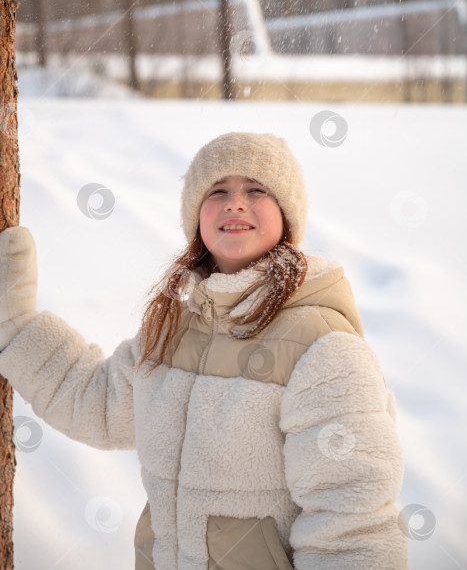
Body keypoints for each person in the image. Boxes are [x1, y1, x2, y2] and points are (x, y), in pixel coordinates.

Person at [0, 132, 409, 570]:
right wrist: (16, 326)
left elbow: (353, 525)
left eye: (257, 189)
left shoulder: (324, 347)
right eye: (218, 191)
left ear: (288, 217)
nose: (235, 202)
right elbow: (96, 405)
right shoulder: (173, 328)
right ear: (196, 217)